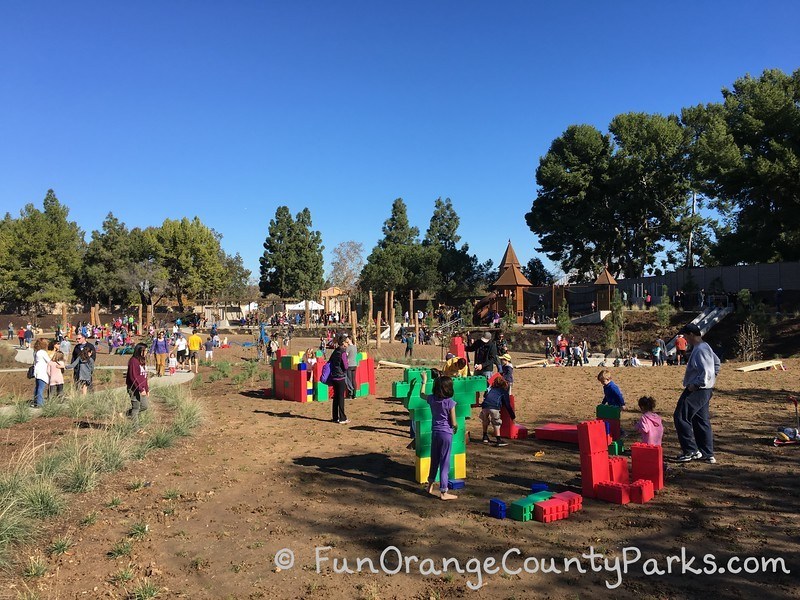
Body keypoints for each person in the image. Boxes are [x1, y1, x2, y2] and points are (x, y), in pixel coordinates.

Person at [674, 323, 720, 463]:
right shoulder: (705, 347)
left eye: (686, 336)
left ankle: (690, 451)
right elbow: (716, 363)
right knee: (700, 420)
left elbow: (707, 371)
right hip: (705, 389)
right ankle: (707, 453)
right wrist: (712, 379)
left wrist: (697, 384)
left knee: (680, 416)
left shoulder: (700, 349)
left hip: (698, 390)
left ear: (692, 334)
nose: (685, 339)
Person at [422, 371, 459, 501]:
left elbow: (422, 395)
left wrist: (424, 380)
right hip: (446, 434)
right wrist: (456, 427)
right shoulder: (450, 402)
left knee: (434, 460)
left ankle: (430, 486)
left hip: (435, 433)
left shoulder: (432, 399)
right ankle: (443, 492)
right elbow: (454, 422)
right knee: (444, 463)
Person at [479, 374, 515, 446]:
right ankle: (498, 440)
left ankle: (485, 437)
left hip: (485, 406)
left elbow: (485, 396)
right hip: (494, 407)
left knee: (485, 421)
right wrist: (512, 416)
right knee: (496, 422)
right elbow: (507, 405)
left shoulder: (491, 389)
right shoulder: (503, 392)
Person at [328, 334, 349, 424]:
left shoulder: (335, 351)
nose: (348, 344)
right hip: (340, 377)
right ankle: (342, 418)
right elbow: (346, 366)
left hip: (334, 376)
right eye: (347, 342)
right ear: (343, 343)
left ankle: (335, 417)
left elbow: (330, 361)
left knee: (335, 398)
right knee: (341, 398)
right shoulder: (343, 352)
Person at [126, 343, 149, 421]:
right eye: (145, 350)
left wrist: (146, 388)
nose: (146, 352)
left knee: (144, 406)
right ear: (140, 351)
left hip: (142, 388)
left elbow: (145, 376)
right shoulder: (133, 361)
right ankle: (136, 429)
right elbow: (133, 377)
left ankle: (126, 414)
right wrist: (140, 389)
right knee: (136, 408)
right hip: (134, 388)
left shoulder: (142, 360)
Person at [31, 338, 51, 408]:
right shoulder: (42, 352)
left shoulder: (36, 352)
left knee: (37, 387)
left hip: (37, 372)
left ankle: (36, 401)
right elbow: (49, 361)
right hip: (42, 372)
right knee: (41, 388)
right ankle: (40, 403)